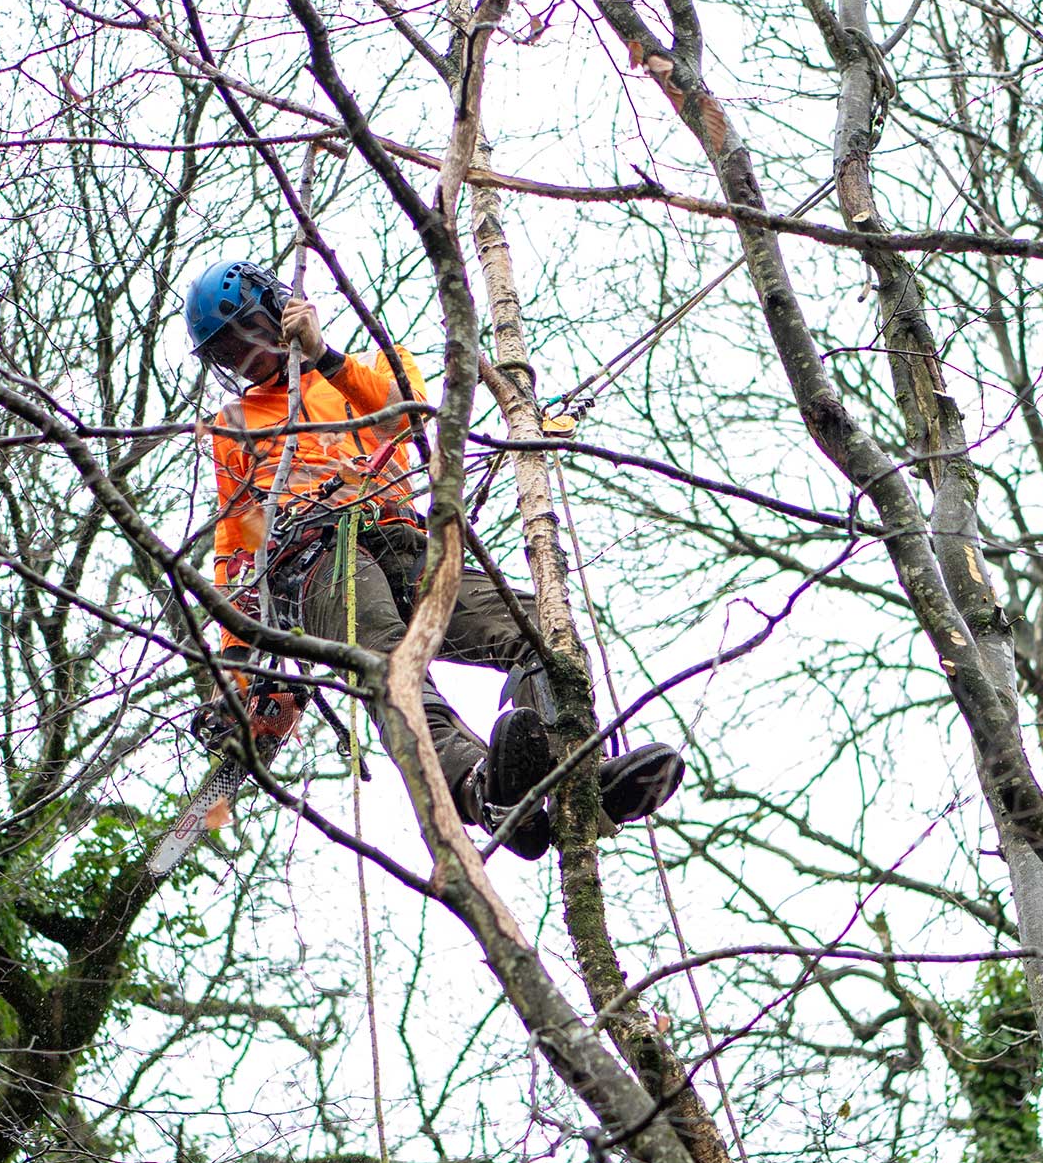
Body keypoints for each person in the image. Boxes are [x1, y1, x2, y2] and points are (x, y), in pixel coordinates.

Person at [186, 257, 683, 859]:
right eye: (230, 355)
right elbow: (236, 546)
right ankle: (482, 789)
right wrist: (233, 673)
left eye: (252, 338)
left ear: (279, 314)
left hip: (401, 538)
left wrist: (323, 356)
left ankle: (576, 771)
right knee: (391, 666)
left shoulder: (366, 366)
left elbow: (410, 415)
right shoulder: (233, 423)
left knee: (536, 626)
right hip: (310, 558)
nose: (250, 360)